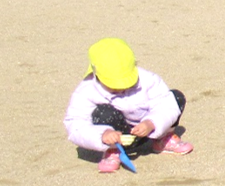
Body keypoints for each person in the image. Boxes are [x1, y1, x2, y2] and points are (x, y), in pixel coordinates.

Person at [64, 38, 193, 173]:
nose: (121, 88)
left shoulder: (148, 79)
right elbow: (75, 124)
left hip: (147, 129)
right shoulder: (86, 90)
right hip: (118, 135)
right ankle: (112, 151)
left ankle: (163, 138)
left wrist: (151, 123)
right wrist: (103, 134)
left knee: (175, 97)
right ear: (96, 73)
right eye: (113, 85)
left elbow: (165, 103)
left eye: (128, 82)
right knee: (103, 112)